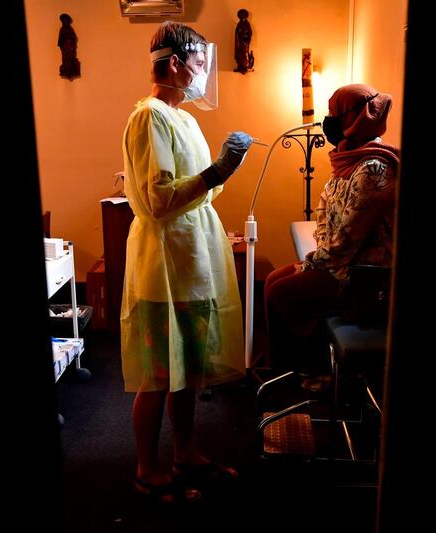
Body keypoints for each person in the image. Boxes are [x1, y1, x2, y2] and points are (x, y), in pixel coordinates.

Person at [120, 21, 252, 504]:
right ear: (174, 62)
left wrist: (224, 170)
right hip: (163, 264)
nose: (201, 73)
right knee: (159, 373)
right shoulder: (149, 117)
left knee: (188, 368)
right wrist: (215, 170)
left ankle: (185, 452)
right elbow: (158, 200)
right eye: (197, 63)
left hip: (193, 259)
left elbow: (203, 190)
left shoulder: (186, 119)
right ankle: (146, 468)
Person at [264, 83, 400, 371]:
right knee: (273, 280)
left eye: (336, 113)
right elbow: (324, 211)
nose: (330, 121)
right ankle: (289, 370)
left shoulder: (374, 168)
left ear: (358, 118)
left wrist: (313, 263)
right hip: (340, 265)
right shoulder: (348, 157)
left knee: (281, 293)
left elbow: (348, 239)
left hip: (363, 276)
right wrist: (317, 258)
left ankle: (307, 374)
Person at [58, 13, 79, 79]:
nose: (64, 22)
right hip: (64, 47)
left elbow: (73, 37)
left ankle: (70, 69)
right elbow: (60, 38)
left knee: (70, 57)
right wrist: (61, 40)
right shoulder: (62, 29)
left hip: (69, 46)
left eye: (65, 20)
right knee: (64, 57)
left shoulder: (70, 29)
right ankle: (66, 68)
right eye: (63, 21)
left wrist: (70, 39)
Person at [233, 9, 254, 74]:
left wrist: (247, 39)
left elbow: (250, 33)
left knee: (245, 54)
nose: (242, 16)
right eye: (240, 15)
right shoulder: (239, 24)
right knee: (239, 54)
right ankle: (240, 67)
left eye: (243, 15)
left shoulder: (247, 24)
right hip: (239, 42)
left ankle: (245, 67)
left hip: (244, 42)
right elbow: (237, 33)